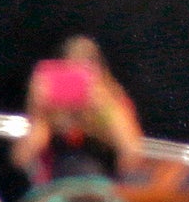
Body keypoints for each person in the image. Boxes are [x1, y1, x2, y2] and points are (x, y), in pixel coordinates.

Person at [14, 38, 143, 192]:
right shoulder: (51, 109)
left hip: (103, 191)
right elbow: (22, 158)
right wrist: (39, 112)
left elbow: (132, 153)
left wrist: (105, 109)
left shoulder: (114, 104)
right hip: (56, 193)